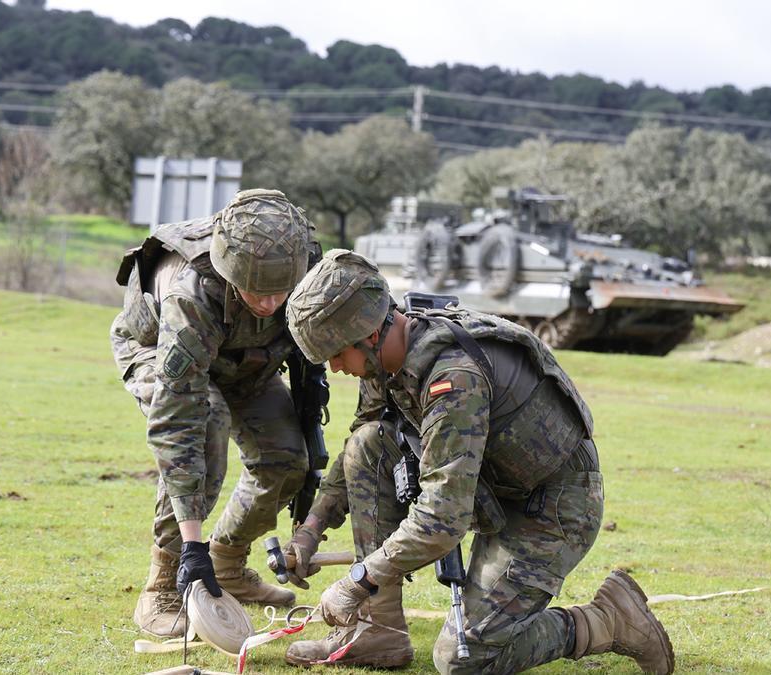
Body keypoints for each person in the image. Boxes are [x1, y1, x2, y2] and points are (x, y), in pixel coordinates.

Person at [277, 249, 675, 674]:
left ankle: (606, 621)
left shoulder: (453, 379)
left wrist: (358, 580)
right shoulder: (389, 363)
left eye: (338, 354)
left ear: (370, 335)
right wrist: (311, 530)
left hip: (552, 507)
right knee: (368, 445)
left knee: (463, 660)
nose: (336, 368)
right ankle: (378, 632)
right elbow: (362, 450)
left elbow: (441, 520)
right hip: (494, 488)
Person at [110, 189, 319, 638]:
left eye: (279, 293)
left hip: (246, 362)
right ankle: (163, 585)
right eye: (256, 292)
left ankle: (227, 563)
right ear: (229, 273)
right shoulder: (192, 292)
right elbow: (177, 421)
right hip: (158, 351)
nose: (269, 304)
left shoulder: (300, 262)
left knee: (285, 462)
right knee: (207, 422)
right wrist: (191, 546)